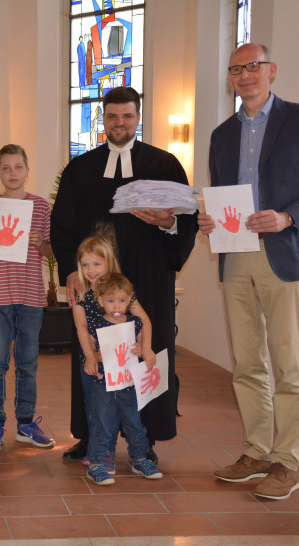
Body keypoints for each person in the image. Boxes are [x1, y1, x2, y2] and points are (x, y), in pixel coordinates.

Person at [51, 86, 197, 463]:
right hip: (96, 281)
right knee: (93, 354)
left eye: (127, 116)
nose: (120, 123)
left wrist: (168, 224)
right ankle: (90, 435)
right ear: (104, 119)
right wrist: (70, 269)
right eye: (113, 116)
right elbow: (62, 226)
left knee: (145, 351)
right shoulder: (80, 169)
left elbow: (187, 218)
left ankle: (143, 436)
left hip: (147, 278)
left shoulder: (164, 165)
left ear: (138, 117)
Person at [198, 43, 299, 500]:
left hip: (283, 252)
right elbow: (220, 195)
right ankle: (257, 451)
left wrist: (287, 217)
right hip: (234, 254)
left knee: (289, 363)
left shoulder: (297, 120)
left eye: (252, 66)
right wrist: (208, 220)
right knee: (246, 361)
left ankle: (288, 460)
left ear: (271, 70)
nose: (245, 75)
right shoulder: (221, 135)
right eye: (236, 69)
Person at [0, 144, 55, 453]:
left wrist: (41, 244)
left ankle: (25, 424)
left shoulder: (41, 207)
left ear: (27, 170)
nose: (12, 173)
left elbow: (50, 250)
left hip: (31, 294)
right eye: (6, 168)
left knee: (28, 363)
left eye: (17, 167)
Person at [73, 232, 154, 474]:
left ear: (109, 262)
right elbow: (81, 327)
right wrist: (90, 356)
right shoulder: (84, 296)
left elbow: (144, 320)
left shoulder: (122, 291)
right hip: (95, 364)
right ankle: (104, 453)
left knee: (127, 407)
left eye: (96, 263)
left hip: (123, 363)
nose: (90, 269)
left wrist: (146, 348)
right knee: (96, 408)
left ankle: (135, 450)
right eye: (85, 264)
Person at [84, 273, 162, 485]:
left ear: (130, 299)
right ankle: (96, 465)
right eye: (110, 301)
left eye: (121, 300)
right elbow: (90, 350)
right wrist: (94, 357)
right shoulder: (96, 325)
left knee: (135, 423)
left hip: (129, 385)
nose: (116, 306)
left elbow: (141, 345)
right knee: (102, 425)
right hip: (104, 386)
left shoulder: (135, 323)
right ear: (100, 301)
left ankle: (140, 459)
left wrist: (141, 350)